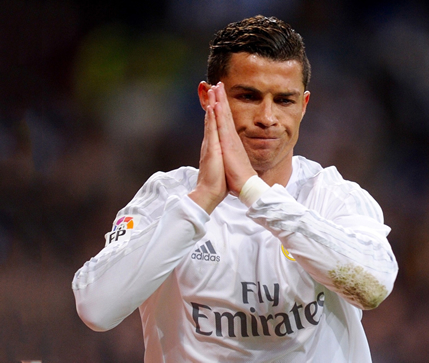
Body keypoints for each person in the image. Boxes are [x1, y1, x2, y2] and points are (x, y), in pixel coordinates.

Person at [72, 15, 398, 362]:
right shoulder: (167, 198)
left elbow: (374, 288)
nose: (267, 118)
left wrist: (255, 194)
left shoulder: (334, 197)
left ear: (303, 106)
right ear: (207, 97)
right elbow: (96, 308)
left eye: (284, 101)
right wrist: (200, 203)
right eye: (248, 96)